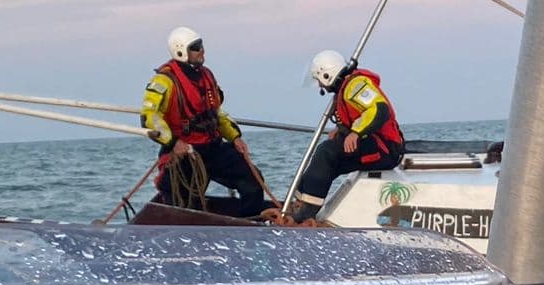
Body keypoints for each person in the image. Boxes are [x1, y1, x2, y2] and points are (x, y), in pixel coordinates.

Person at [140, 27, 276, 218]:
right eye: (196, 47)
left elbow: (216, 113)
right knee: (183, 200)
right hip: (186, 153)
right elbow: (150, 117)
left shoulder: (207, 76)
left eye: (201, 45)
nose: (202, 50)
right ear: (181, 50)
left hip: (213, 147)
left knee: (252, 179)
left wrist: (235, 137)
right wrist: (173, 143)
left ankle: (250, 224)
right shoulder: (164, 81)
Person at [287, 50, 406, 221]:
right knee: (328, 162)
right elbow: (358, 114)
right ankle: (300, 203)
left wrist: (356, 133)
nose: (321, 86)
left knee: (326, 151)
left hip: (386, 149)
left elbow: (379, 109)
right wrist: (343, 130)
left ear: (327, 74)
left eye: (320, 80)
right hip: (378, 146)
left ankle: (306, 212)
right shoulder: (346, 87)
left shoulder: (356, 85)